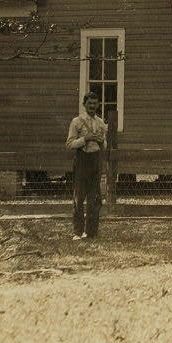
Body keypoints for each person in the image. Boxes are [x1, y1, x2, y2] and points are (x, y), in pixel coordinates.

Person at [65, 92, 107, 240]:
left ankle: (91, 232)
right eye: (89, 103)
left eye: (95, 103)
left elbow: (104, 145)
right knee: (79, 197)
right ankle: (77, 232)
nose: (92, 106)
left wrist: (101, 141)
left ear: (98, 105)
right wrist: (85, 138)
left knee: (94, 198)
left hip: (95, 160)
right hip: (82, 160)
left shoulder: (101, 123)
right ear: (84, 104)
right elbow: (69, 144)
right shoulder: (77, 121)